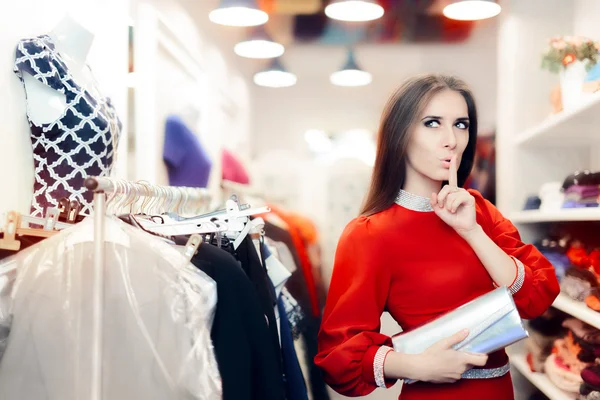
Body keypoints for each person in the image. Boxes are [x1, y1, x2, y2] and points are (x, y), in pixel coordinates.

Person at [314, 74, 560, 400]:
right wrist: (415, 366)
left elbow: (538, 295)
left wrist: (472, 231)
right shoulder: (369, 233)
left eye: (461, 124)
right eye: (432, 123)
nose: (452, 140)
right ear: (400, 134)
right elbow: (337, 354)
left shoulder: (480, 211)